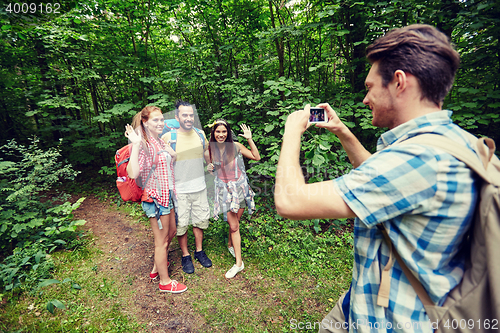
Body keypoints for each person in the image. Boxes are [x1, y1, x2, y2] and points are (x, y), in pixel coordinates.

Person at [275, 24, 478, 332]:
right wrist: (343, 132)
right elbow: (386, 181)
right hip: (365, 301)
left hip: (389, 320)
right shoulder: (450, 143)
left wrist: (292, 131)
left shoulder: (419, 160)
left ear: (399, 82)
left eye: (370, 87)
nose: (365, 98)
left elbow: (290, 201)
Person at [124, 105, 187, 293]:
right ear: (145, 122)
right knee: (162, 242)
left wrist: (172, 154)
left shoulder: (159, 141)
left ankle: (156, 268)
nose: (161, 123)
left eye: (162, 119)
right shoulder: (143, 144)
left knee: (172, 232)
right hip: (156, 199)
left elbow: (168, 163)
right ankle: (165, 282)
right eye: (155, 120)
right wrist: (134, 145)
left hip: (168, 195)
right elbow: (133, 173)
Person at [161, 100, 213, 274]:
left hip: (200, 187)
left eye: (191, 115)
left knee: (199, 221)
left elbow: (205, 151)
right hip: (179, 190)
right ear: (177, 117)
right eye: (185, 115)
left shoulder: (200, 134)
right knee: (182, 224)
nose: (189, 118)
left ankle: (199, 251)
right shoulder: (168, 138)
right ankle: (185, 255)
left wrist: (209, 164)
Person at [207, 120, 260, 278]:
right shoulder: (210, 149)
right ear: (213, 133)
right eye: (218, 132)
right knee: (235, 226)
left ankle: (230, 243)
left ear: (228, 133)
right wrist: (210, 169)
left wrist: (249, 138)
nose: (221, 135)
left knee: (235, 221)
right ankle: (239, 263)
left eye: (224, 132)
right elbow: (213, 171)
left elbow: (256, 157)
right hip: (225, 191)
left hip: (240, 188)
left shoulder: (236, 146)